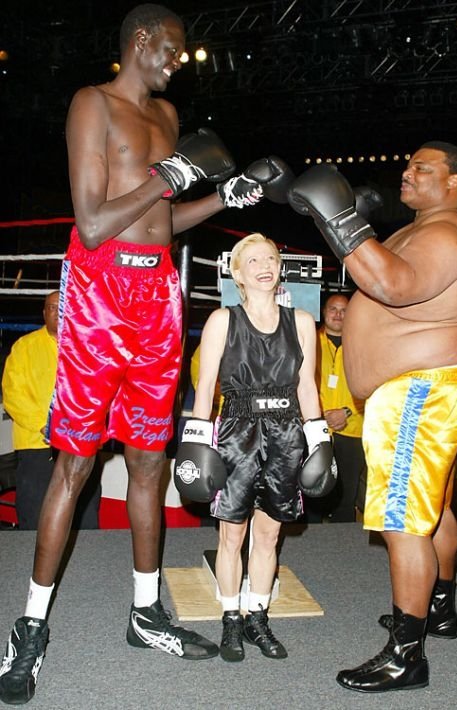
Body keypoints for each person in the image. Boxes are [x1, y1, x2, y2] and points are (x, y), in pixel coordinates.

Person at [0, 5, 294, 706]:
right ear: (141, 41)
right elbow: (96, 220)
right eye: (170, 51)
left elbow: (163, 218)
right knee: (74, 461)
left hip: (159, 294)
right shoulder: (91, 104)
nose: (175, 64)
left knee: (148, 460)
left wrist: (222, 193)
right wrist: (171, 173)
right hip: (101, 288)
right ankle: (31, 628)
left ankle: (144, 610)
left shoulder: (165, 118)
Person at [288, 141, 457, 692]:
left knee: (402, 520)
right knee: (431, 510)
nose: (409, 172)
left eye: (425, 167)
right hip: (422, 390)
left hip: (420, 391)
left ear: (454, 183)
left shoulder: (446, 233)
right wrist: (318, 215)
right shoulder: (421, 230)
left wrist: (341, 215)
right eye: (409, 164)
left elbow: (393, 285)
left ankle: (406, 655)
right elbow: (379, 272)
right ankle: (437, 610)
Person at [180, 233, 331, 662]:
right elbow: (205, 386)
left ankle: (257, 617)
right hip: (237, 431)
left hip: (286, 433)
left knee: (269, 535)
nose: (264, 265)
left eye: (271, 259)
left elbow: (307, 387)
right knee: (232, 533)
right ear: (238, 273)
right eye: (254, 261)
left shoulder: (302, 321)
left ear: (280, 268)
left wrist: (318, 439)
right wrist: (195, 443)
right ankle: (230, 617)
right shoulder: (222, 321)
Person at [1, 291, 100, 530]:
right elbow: (13, 394)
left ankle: (90, 565)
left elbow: (99, 389)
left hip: (80, 444)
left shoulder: (87, 347)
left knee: (84, 513)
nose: (57, 311)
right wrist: (46, 423)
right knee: (34, 515)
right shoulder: (24, 347)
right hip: (37, 445)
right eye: (51, 307)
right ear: (44, 313)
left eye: (62, 306)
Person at [316, 293, 365, 522]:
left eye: (344, 310)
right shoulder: (309, 342)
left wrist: (346, 411)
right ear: (323, 312)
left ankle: (342, 551)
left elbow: (374, 386)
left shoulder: (364, 347)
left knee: (345, 495)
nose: (338, 314)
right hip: (315, 428)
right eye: (332, 309)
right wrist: (317, 416)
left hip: (352, 429)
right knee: (312, 491)